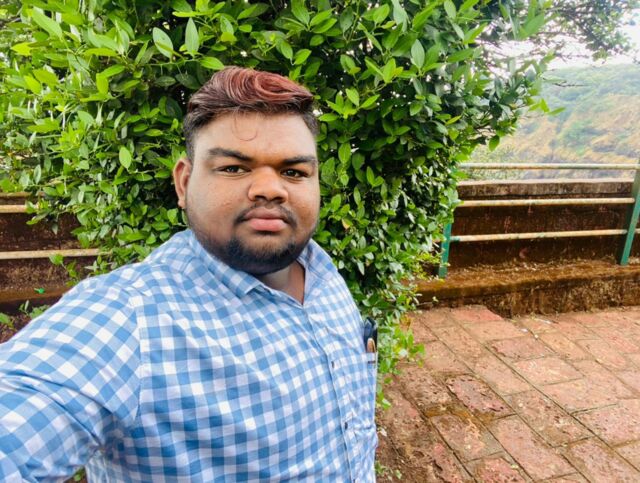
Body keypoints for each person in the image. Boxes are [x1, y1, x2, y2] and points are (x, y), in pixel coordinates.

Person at [0, 67, 377, 482]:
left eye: (294, 172)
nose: (271, 188)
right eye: (234, 168)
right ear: (183, 183)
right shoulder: (133, 321)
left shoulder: (320, 269)